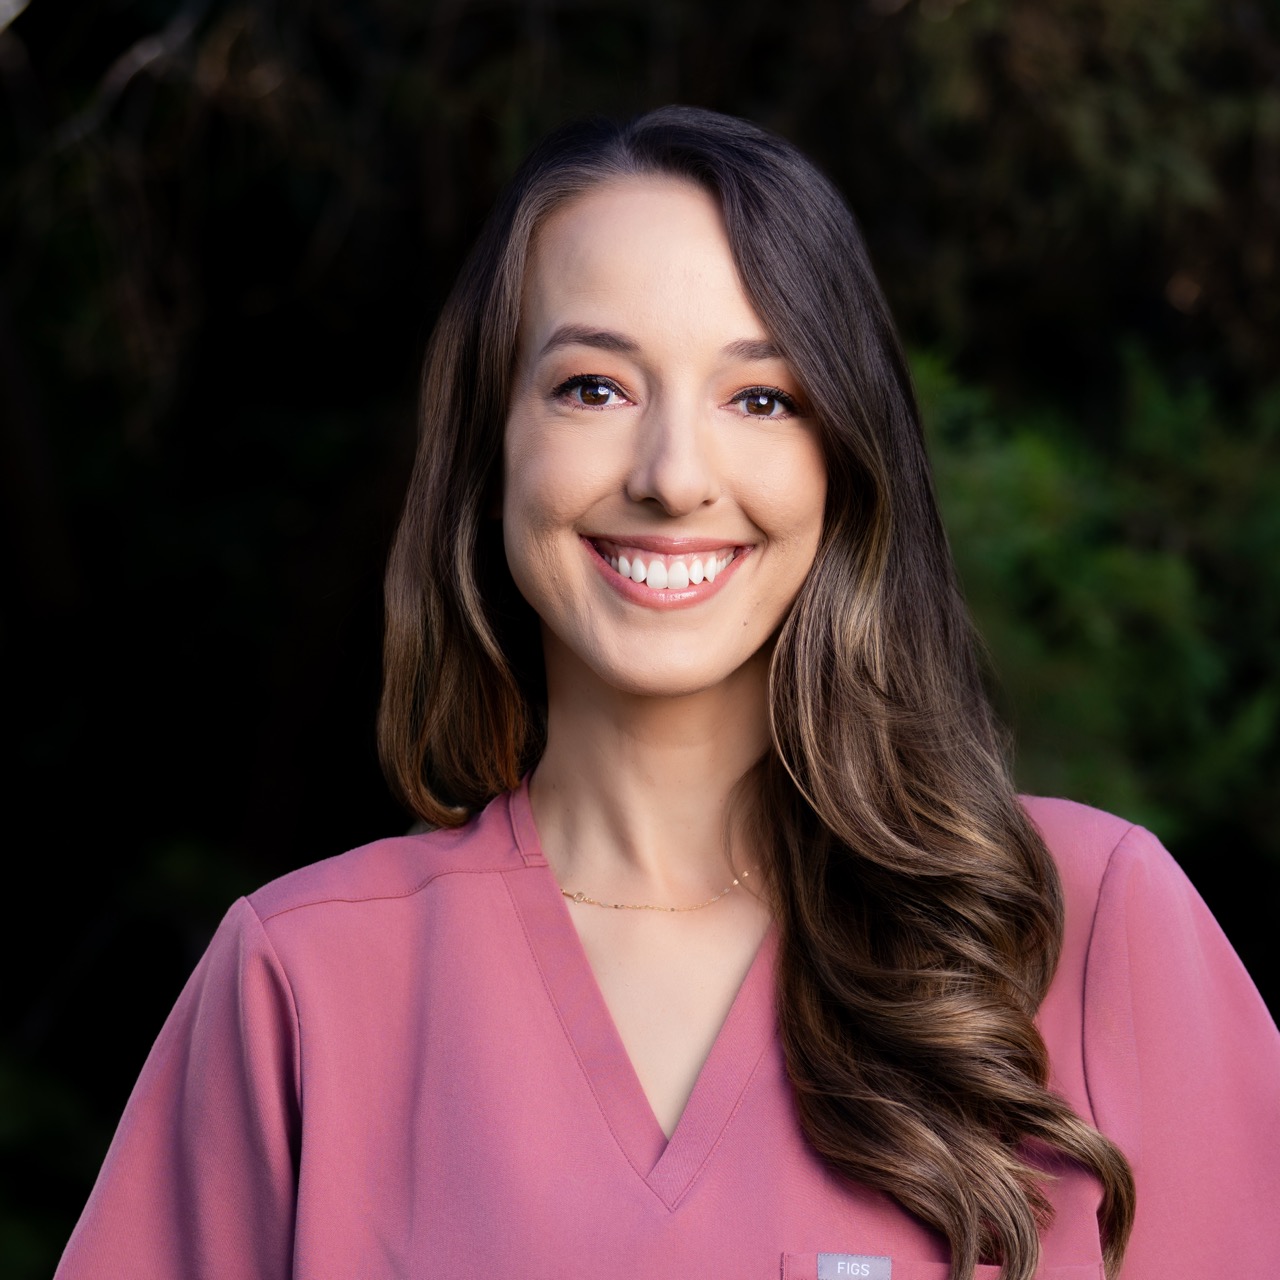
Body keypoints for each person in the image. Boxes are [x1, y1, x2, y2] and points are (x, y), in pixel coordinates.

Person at [56, 107, 1280, 1280]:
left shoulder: (1085, 925)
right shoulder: (303, 983)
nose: (673, 475)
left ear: (844, 465)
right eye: (594, 386)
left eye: (760, 397)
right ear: (491, 445)